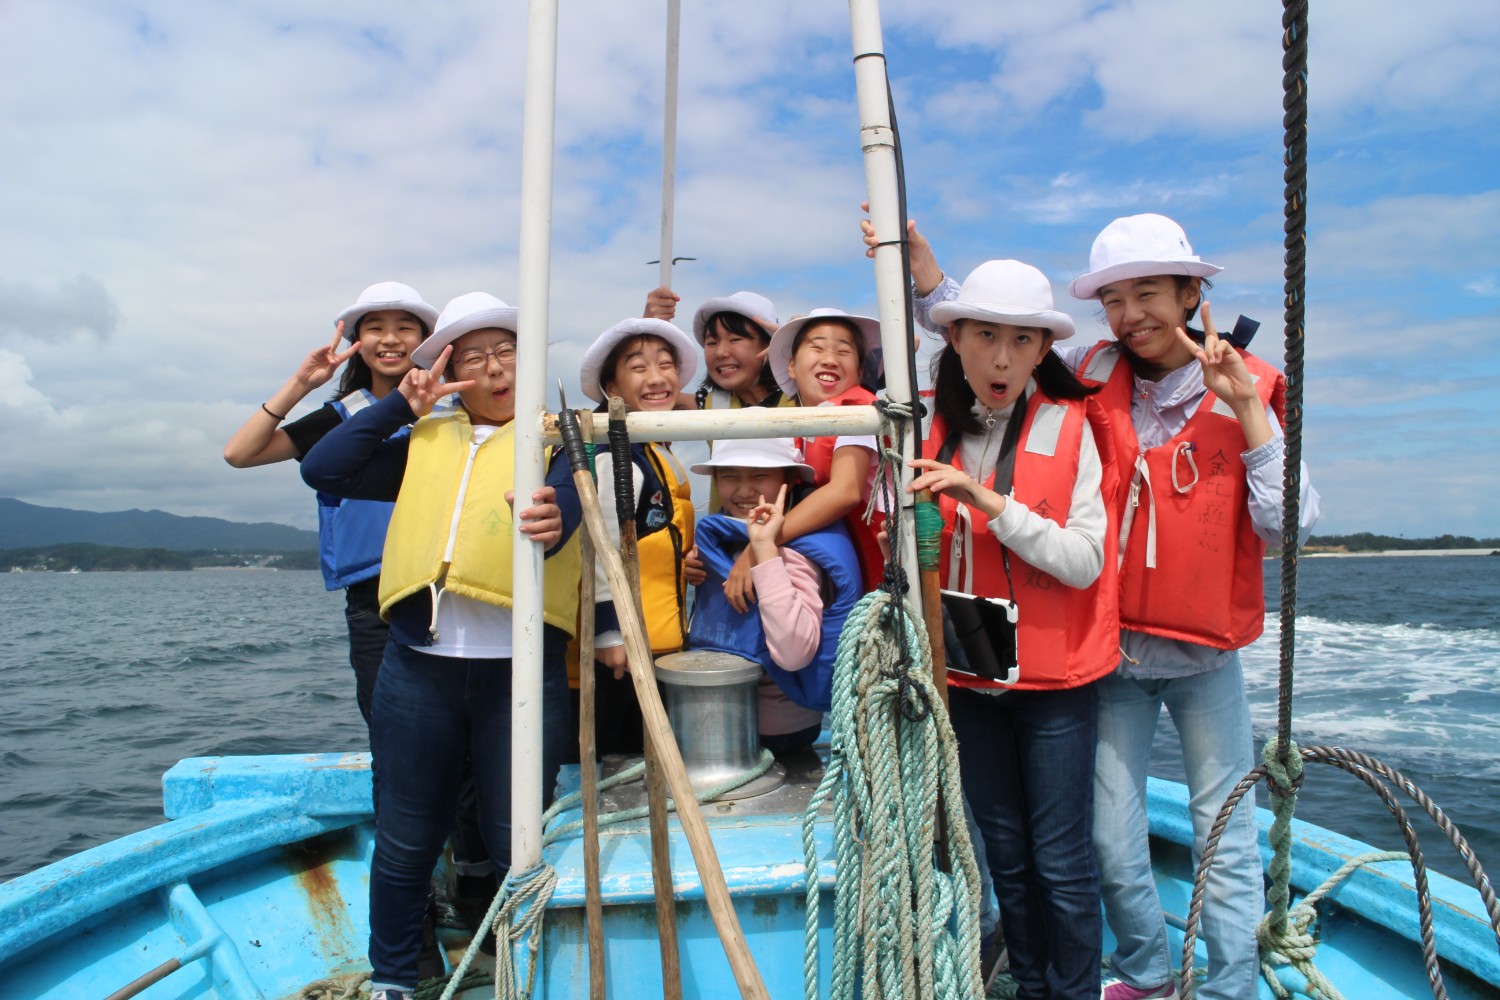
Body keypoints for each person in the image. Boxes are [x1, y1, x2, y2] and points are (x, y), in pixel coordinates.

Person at [902, 214, 1321, 1000]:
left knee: (1223, 838)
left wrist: (1250, 413)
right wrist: (931, 278)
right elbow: (1001, 342)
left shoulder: (1248, 385)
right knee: (1108, 838)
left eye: (1149, 294)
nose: (1131, 316)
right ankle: (1143, 977)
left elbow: (1287, 525)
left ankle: (1229, 989)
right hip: (1114, 655)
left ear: (1192, 294)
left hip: (1205, 660)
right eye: (1116, 300)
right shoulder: (1093, 371)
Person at [300, 292, 583, 1000]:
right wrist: (399, 405)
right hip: (417, 670)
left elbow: (570, 502)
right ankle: (395, 977)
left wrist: (555, 516)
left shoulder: (561, 439)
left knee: (513, 834)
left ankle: (525, 971)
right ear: (450, 369)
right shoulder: (422, 438)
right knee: (404, 837)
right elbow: (323, 470)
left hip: (518, 675)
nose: (493, 367)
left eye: (506, 351)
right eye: (474, 355)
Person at [907, 260, 1119, 999]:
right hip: (971, 668)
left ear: (1041, 351)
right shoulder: (926, 426)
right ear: (956, 339)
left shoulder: (1073, 429)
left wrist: (987, 502)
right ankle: (1030, 987)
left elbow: (1085, 560)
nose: (1001, 357)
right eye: (984, 336)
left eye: (1020, 341)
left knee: (1061, 860)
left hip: (1055, 681)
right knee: (1005, 854)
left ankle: (1074, 993)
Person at [222, 281, 437, 728]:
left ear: (426, 341)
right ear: (358, 344)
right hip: (373, 598)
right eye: (375, 328)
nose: (391, 339)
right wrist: (301, 383)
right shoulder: (340, 418)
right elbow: (239, 454)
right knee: (390, 729)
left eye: (405, 328)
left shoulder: (451, 411)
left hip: (446, 587)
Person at [687, 437, 862, 753]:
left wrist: (764, 551)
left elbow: (795, 653)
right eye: (729, 476)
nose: (744, 490)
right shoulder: (727, 538)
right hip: (729, 716)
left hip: (777, 732)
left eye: (759, 476)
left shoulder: (791, 554)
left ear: (790, 481)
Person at [575, 317, 699, 755]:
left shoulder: (651, 447)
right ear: (612, 387)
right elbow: (600, 542)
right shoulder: (613, 452)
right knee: (619, 756)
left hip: (654, 646)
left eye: (666, 365)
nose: (657, 377)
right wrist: (608, 633)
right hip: (621, 655)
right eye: (639, 368)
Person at [705, 308, 885, 607]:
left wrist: (757, 548)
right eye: (816, 347)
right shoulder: (800, 428)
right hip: (845, 568)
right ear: (791, 366)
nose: (830, 358)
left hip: (885, 567)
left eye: (843, 350)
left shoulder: (857, 410)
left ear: (858, 371)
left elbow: (845, 491)